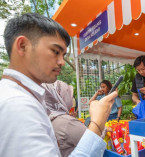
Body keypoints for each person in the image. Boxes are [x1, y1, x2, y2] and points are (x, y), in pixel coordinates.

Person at [0, 13, 118, 157]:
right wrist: (98, 123)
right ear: (22, 46)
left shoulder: (21, 97)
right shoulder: (18, 105)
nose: (62, 62)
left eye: (63, 55)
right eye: (55, 51)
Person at [42, 80, 87, 157]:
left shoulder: (43, 118)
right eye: (69, 95)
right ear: (60, 96)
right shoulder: (67, 123)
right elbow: (93, 140)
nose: (71, 99)